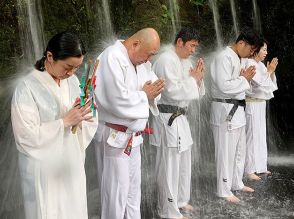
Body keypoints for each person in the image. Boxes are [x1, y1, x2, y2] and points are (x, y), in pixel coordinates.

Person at [11, 32, 98, 219]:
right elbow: (26, 135)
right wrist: (64, 122)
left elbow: (87, 120)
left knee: (74, 209)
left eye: (76, 68)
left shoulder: (73, 81)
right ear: (50, 56)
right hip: (43, 169)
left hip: (71, 162)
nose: (71, 73)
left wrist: (83, 116)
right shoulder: (26, 87)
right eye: (68, 67)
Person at [94, 28, 165, 219]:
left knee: (133, 192)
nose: (149, 60)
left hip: (134, 138)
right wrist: (144, 95)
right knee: (116, 193)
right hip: (114, 137)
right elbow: (116, 99)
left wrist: (151, 94)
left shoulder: (141, 62)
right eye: (149, 54)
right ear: (136, 44)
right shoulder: (112, 57)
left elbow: (153, 88)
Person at [150, 27, 205, 219]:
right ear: (180, 42)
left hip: (181, 117)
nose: (193, 50)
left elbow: (193, 90)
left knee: (183, 162)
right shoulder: (166, 60)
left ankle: (181, 200)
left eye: (195, 47)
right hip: (168, 118)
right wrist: (193, 80)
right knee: (169, 165)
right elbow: (171, 91)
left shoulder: (184, 61)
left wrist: (198, 80)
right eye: (191, 46)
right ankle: (167, 210)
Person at [210, 27, 260, 203]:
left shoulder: (239, 58)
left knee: (239, 150)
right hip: (225, 111)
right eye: (250, 49)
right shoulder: (223, 57)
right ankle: (223, 190)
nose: (251, 53)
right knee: (225, 152)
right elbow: (224, 86)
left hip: (238, 110)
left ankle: (236, 182)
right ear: (241, 43)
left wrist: (244, 80)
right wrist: (244, 80)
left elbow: (240, 85)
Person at [244, 39, 278, 181]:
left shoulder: (261, 65)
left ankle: (261, 166)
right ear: (256, 49)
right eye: (263, 49)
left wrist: (270, 71)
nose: (266, 52)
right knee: (251, 136)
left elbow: (270, 85)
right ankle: (249, 170)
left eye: (266, 50)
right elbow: (258, 85)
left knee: (260, 135)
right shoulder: (249, 63)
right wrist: (269, 71)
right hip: (252, 103)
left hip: (260, 104)